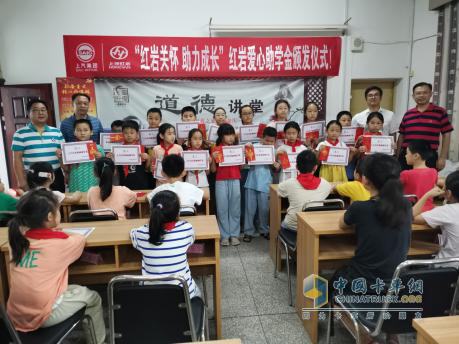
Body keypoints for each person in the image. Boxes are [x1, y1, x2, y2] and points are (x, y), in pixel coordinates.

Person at [6, 189, 105, 343]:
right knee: (93, 297)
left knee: (72, 289)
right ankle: (98, 341)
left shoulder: (16, 241)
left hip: (16, 314)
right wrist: (60, 232)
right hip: (43, 314)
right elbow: (80, 239)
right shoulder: (59, 244)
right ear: (50, 217)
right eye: (57, 209)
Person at [334, 153, 411, 291]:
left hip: (363, 281)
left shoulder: (359, 207)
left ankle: (330, 310)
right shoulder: (406, 205)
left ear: (365, 180)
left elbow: (342, 224)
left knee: (334, 279)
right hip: (396, 282)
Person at [130, 190, 201, 298]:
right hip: (184, 298)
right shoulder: (186, 229)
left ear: (152, 211)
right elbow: (191, 239)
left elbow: (132, 233)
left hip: (151, 298)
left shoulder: (142, 233)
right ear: (178, 213)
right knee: (197, 293)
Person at [397, 82, 454, 171]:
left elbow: (446, 134)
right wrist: (397, 155)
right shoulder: (408, 114)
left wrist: (442, 157)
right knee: (404, 181)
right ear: (413, 96)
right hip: (407, 155)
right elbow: (401, 136)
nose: (421, 95)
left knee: (426, 183)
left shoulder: (440, 112)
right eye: (418, 93)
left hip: (428, 155)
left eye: (425, 92)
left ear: (430, 94)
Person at [12, 99, 65, 192]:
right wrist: (21, 181)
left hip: (55, 175)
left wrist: (67, 174)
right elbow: (17, 159)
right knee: (37, 204)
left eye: (43, 110)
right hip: (34, 177)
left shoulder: (57, 132)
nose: (40, 112)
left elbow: (63, 156)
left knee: (58, 203)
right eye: (35, 110)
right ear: (29, 114)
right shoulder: (20, 134)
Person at [278, 150, 331, 231]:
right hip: (314, 227)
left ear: (296, 167)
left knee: (283, 222)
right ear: (315, 167)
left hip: (293, 227)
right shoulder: (325, 184)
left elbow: (279, 191)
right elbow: (330, 188)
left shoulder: (288, 184)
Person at [243, 127, 280, 242]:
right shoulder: (253, 147)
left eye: (271, 141)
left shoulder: (275, 151)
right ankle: (248, 231)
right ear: (262, 139)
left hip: (266, 183)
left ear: (275, 141)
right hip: (251, 182)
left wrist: (275, 166)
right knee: (250, 209)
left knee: (264, 209)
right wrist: (246, 152)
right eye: (267, 140)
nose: (269, 143)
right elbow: (245, 163)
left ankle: (264, 230)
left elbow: (275, 170)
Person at [413, 171, 459, 260]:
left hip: (448, 266)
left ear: (448, 193)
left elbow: (411, 217)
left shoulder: (447, 210)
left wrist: (427, 195)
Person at [210, 124, 241, 246]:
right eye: (227, 135)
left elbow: (241, 167)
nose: (230, 137)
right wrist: (212, 159)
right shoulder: (216, 149)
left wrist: (246, 155)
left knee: (235, 208)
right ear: (221, 136)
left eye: (232, 134)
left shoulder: (238, 149)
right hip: (221, 180)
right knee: (222, 208)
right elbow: (213, 171)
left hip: (235, 179)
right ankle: (224, 235)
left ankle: (234, 235)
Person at [67, 119, 105, 192]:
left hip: (93, 182)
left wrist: (101, 158)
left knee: (93, 201)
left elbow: (105, 167)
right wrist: (60, 158)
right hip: (75, 183)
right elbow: (66, 169)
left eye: (85, 130)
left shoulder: (98, 148)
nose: (82, 133)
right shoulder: (69, 149)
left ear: (91, 132)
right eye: (79, 130)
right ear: (74, 132)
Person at [400, 140, 438, 211]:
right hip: (429, 209)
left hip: (412, 210)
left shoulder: (405, 174)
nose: (405, 156)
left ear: (416, 156)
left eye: (407, 153)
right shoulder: (434, 172)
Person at [116, 120, 153, 190]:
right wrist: (113, 159)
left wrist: (148, 158)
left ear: (137, 134)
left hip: (141, 183)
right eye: (126, 133)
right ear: (122, 134)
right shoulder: (118, 150)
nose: (129, 135)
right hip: (124, 184)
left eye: (132, 132)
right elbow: (116, 171)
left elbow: (147, 169)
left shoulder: (142, 148)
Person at [337, 111, 356, 180]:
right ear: (338, 122)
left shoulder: (355, 134)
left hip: (350, 160)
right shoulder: (334, 132)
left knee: (350, 177)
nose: (347, 122)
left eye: (349, 120)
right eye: (343, 120)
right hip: (337, 160)